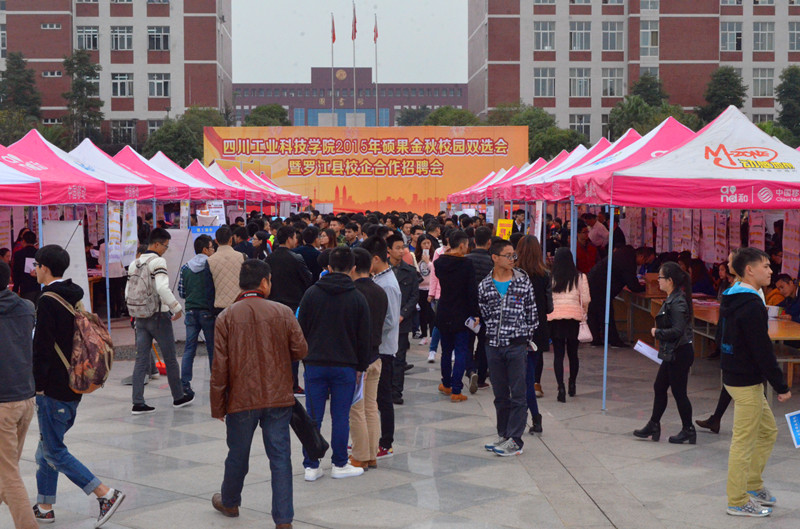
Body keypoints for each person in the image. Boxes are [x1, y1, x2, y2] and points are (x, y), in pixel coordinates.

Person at [32, 245, 125, 528]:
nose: (34, 270)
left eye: (36, 265)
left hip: (54, 388)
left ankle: (105, 493)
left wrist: (37, 386)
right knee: (46, 449)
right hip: (75, 382)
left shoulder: (48, 300)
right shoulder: (73, 295)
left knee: (53, 451)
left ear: (45, 268)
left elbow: (42, 348)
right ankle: (45, 506)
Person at [209, 260, 307, 529]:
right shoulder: (283, 312)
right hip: (278, 397)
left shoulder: (226, 317)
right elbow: (301, 350)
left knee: (238, 454)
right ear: (264, 282)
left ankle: (230, 502)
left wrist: (218, 405)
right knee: (280, 458)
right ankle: (284, 520)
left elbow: (219, 367)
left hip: (241, 399)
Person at [717, 247, 791, 517]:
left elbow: (722, 336)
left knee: (768, 431)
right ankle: (737, 500)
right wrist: (781, 385)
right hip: (744, 381)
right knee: (743, 442)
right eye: (766, 266)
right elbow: (762, 350)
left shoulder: (734, 296)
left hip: (738, 376)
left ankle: (752, 483)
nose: (771, 271)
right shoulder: (750, 304)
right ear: (749, 270)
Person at [297, 247, 370, 480]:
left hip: (315, 363)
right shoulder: (357, 297)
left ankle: (311, 465)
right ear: (353, 268)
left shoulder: (311, 294)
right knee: (341, 416)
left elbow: (300, 329)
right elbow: (364, 337)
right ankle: (339, 463)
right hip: (345, 365)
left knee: (313, 417)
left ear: (328, 267)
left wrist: (305, 358)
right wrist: (361, 367)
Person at [478, 238, 538, 456]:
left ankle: (515, 440)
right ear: (495, 257)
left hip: (517, 345)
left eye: (514, 255)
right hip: (493, 346)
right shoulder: (485, 285)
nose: (513, 259)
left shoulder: (522, 281)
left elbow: (532, 312)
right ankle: (503, 434)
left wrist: (524, 336)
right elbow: (485, 314)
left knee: (518, 394)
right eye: (508, 255)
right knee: (500, 394)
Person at [126, 228, 193, 415]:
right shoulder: (158, 261)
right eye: (165, 246)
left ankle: (138, 402)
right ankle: (178, 397)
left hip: (140, 317)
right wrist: (176, 308)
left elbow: (127, 292)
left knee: (141, 360)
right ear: (156, 244)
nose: (165, 250)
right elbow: (162, 288)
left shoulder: (134, 263)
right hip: (158, 316)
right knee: (170, 358)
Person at [633, 262, 696, 444]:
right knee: (660, 387)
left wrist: (657, 332)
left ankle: (688, 429)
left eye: (660, 277)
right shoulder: (673, 298)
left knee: (679, 392)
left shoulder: (678, 301)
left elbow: (678, 330)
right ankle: (654, 424)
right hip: (672, 352)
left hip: (679, 352)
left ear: (669, 280)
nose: (658, 280)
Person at [0, 260, 38, 529]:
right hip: (25, 399)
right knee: (6, 468)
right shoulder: (26, 308)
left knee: (8, 474)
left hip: (2, 404)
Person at [360, 236, 401, 460]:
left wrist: (370, 328)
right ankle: (370, 438)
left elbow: (391, 320)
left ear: (376, 259)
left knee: (383, 398)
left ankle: (386, 442)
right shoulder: (379, 279)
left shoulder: (388, 285)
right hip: (377, 346)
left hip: (384, 348)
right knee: (372, 397)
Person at [348, 248, 388, 470]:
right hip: (376, 354)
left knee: (356, 408)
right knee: (371, 407)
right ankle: (372, 454)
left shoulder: (353, 292)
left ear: (352, 267)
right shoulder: (380, 290)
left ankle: (360, 455)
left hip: (358, 359)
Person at [434, 230, 480, 402]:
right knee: (461, 351)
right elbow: (472, 291)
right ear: (461, 245)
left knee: (446, 351)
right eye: (466, 245)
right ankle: (456, 390)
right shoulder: (467, 264)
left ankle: (446, 384)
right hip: (462, 313)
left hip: (444, 310)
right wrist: (475, 313)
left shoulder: (440, 263)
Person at [268, 226, 313, 396]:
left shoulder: (269, 259)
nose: (296, 240)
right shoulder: (296, 258)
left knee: (275, 347)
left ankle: (276, 382)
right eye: (295, 237)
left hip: (272, 307)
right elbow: (308, 279)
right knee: (293, 346)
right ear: (289, 239)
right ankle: (293, 384)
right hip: (293, 308)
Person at [548, 247, 589, 408]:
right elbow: (585, 299)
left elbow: (548, 298)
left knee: (558, 355)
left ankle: (561, 387)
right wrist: (583, 312)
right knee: (573, 354)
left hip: (555, 318)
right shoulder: (580, 277)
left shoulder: (551, 277)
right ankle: (572, 383)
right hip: (573, 318)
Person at [177, 234, 216, 399]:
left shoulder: (185, 267)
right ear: (205, 249)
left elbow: (181, 292)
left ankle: (185, 384)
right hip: (207, 312)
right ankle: (216, 383)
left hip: (191, 312)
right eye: (212, 248)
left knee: (189, 349)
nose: (213, 250)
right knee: (212, 348)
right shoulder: (211, 265)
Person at [516, 235, 552, 406]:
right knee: (536, 354)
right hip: (538, 321)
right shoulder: (545, 275)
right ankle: (536, 383)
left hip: (516, 321)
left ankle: (520, 383)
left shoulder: (513, 274)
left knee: (517, 354)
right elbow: (549, 305)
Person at [587, 245, 644, 347]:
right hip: (601, 286)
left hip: (595, 281)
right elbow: (632, 284)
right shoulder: (628, 260)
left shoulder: (623, 254)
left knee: (595, 312)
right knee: (605, 313)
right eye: (644, 261)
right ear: (641, 256)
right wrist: (643, 288)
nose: (642, 264)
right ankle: (612, 340)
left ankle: (595, 338)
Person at [387, 234, 419, 405]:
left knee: (399, 358)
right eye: (397, 248)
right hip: (385, 321)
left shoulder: (410, 271)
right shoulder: (382, 270)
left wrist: (403, 314)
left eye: (402, 247)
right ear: (389, 250)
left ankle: (396, 391)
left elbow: (414, 296)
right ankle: (384, 390)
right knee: (385, 357)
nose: (401, 251)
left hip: (402, 321)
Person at [464, 227, 493, 392]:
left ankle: (470, 370)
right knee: (484, 343)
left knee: (467, 342)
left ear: (474, 241)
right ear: (489, 242)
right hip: (486, 310)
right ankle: (481, 378)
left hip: (468, 308)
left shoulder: (465, 260)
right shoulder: (492, 262)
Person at [208, 226, 246, 312]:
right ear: (231, 239)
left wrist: (211, 309)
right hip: (240, 304)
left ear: (216, 241)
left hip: (220, 306)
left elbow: (209, 288)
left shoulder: (210, 260)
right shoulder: (242, 257)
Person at [415, 234, 435, 349]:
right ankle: (424, 335)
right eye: (424, 243)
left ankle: (432, 335)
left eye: (428, 243)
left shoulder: (434, 256)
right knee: (422, 313)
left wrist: (428, 262)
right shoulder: (416, 257)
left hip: (431, 289)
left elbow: (435, 271)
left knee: (432, 313)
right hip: (420, 289)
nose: (427, 245)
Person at [12, 230, 39, 304]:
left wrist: (15, 289)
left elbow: (16, 273)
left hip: (26, 288)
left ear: (23, 241)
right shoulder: (39, 254)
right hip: (39, 287)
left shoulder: (18, 254)